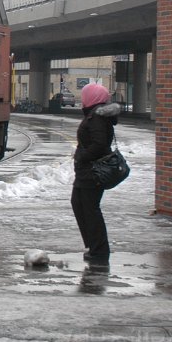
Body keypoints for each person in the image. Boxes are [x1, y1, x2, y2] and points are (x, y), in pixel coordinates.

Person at [71, 83, 121, 265]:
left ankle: (99, 251)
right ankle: (94, 247)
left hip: (92, 171)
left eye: (85, 95)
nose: (82, 99)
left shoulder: (97, 117)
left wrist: (82, 156)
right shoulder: (96, 114)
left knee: (90, 209)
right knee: (79, 204)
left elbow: (100, 144)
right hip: (87, 171)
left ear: (91, 97)